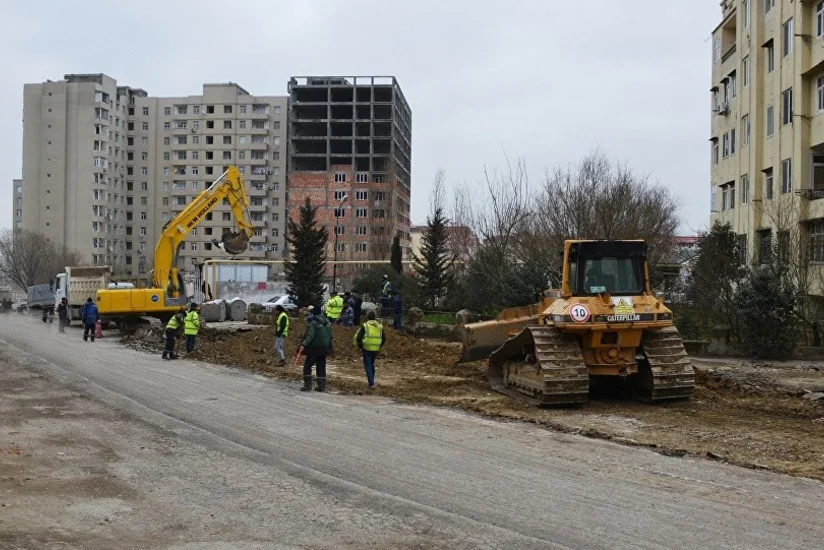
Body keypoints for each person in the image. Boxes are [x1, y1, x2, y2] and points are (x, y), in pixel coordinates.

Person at [299, 306, 332, 392]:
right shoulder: (327, 322)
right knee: (321, 367)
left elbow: (310, 335)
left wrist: (303, 344)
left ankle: (308, 386)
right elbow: (330, 335)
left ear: (313, 313)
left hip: (314, 348)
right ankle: (321, 386)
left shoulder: (313, 323)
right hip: (324, 348)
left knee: (307, 366)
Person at [353, 310, 386, 389]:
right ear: (375, 317)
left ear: (367, 317)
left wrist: (360, 346)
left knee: (368, 366)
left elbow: (359, 337)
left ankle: (371, 383)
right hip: (376, 349)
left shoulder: (365, 325)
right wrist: (379, 346)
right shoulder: (379, 326)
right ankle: (372, 381)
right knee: (372, 364)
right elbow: (384, 338)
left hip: (366, 349)